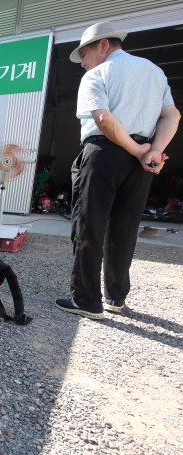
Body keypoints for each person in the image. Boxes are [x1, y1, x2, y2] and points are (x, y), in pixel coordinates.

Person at [55, 21, 180, 320]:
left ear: (103, 45)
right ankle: (115, 297)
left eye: (83, 54)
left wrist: (138, 150)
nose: (82, 63)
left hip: (104, 153)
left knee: (89, 225)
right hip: (140, 162)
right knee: (124, 228)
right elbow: (171, 114)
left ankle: (86, 299)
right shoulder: (153, 71)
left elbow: (103, 119)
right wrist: (152, 151)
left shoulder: (97, 74)